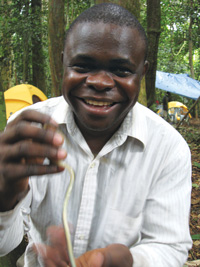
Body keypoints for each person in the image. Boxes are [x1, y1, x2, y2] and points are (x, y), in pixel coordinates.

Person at [0, 3, 192, 267]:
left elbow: (170, 247)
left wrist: (128, 260)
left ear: (142, 73)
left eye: (122, 70)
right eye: (81, 66)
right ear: (63, 63)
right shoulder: (29, 132)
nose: (100, 82)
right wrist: (6, 195)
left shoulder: (168, 148)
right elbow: (3, 246)